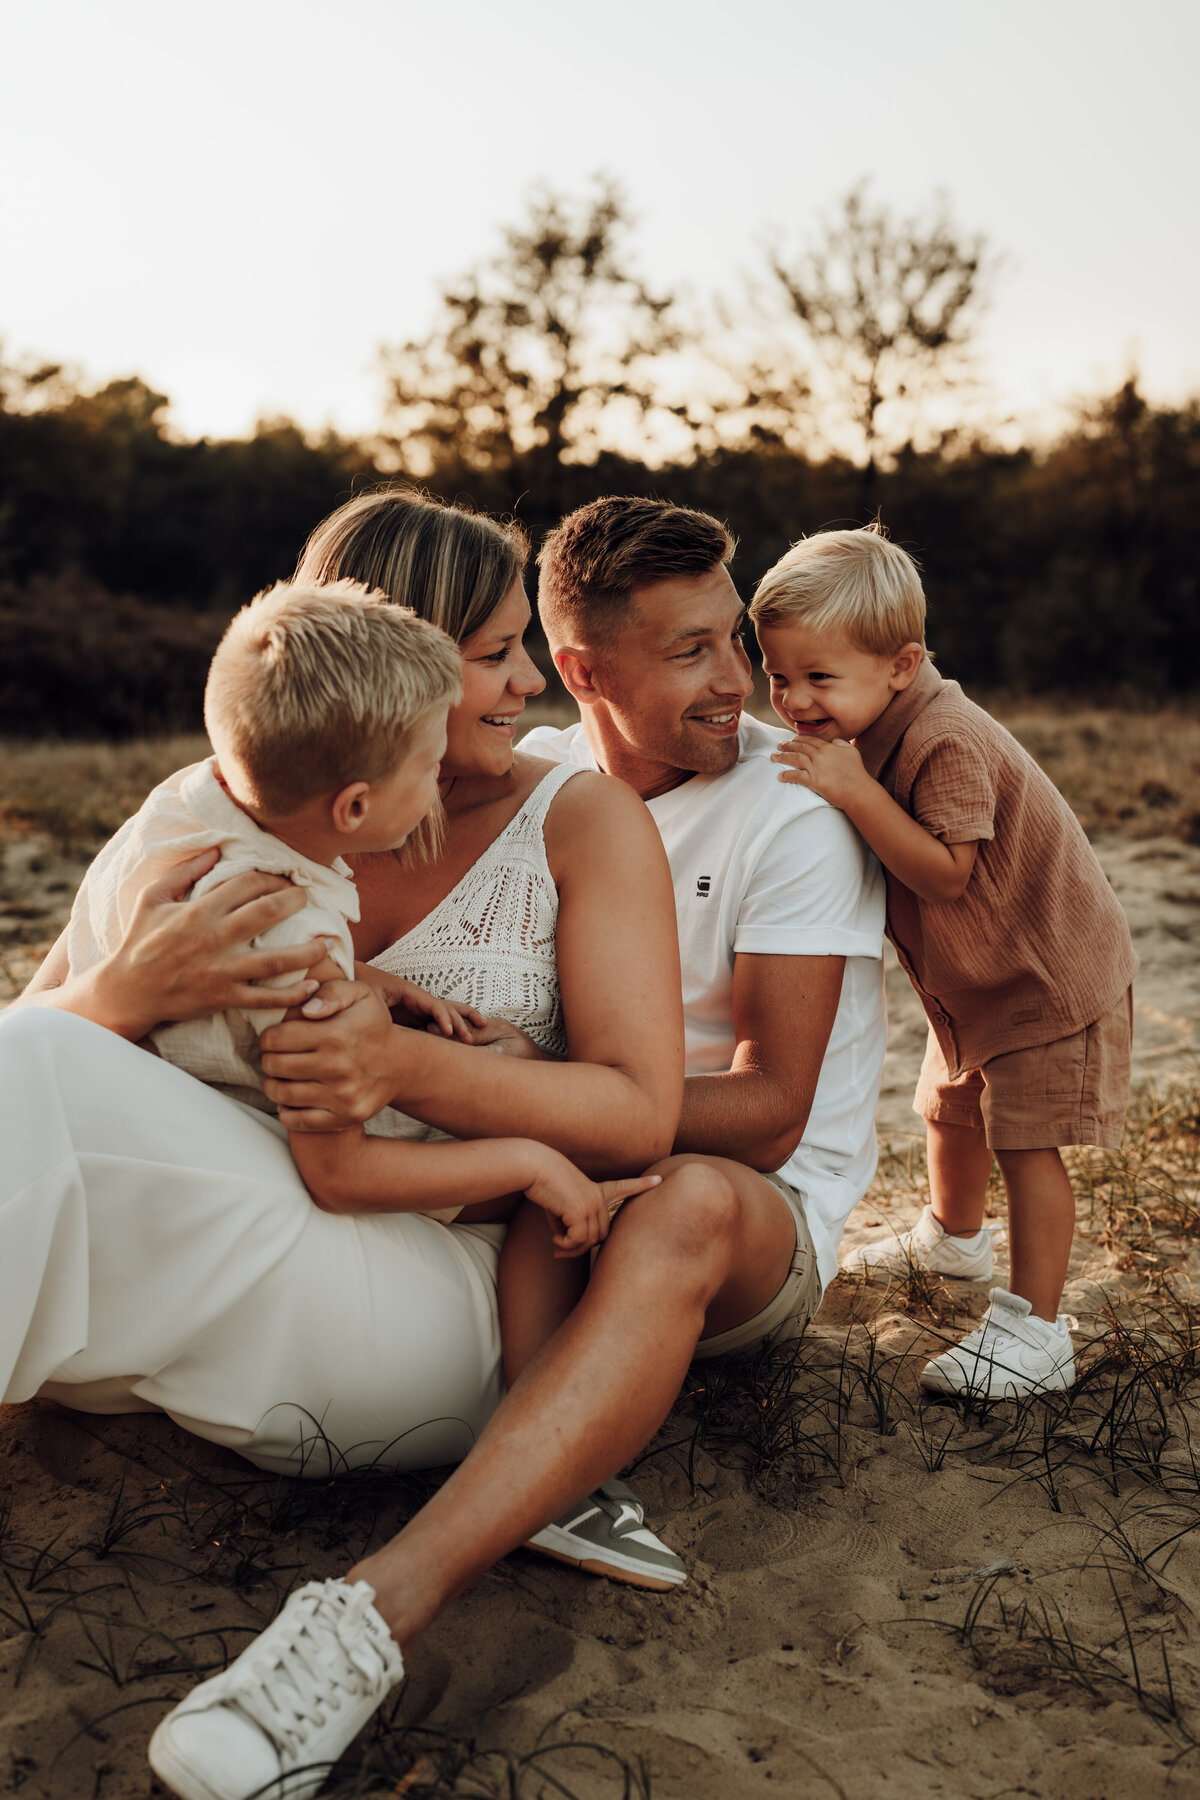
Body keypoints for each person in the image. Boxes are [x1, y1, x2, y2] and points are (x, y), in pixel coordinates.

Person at [0, 490, 863, 1800]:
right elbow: (42, 1044)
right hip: (232, 1234)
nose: (528, 682)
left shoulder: (574, 820)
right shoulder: (200, 806)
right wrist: (122, 994)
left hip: (430, 1287)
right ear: (385, 658)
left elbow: (638, 1111)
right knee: (40, 1058)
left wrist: (407, 1064)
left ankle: (354, 1629)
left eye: (528, 645)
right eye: (495, 653)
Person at [64, 578, 654, 1349]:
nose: (435, 786)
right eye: (426, 768)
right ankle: (534, 1393)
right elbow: (340, 1175)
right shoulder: (284, 938)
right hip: (273, 1215)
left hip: (163, 1180)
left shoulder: (187, 815)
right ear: (353, 807)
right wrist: (527, 1161)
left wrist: (378, 985)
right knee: (540, 1202)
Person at [750, 524, 1138, 1398]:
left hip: (1044, 978)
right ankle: (955, 1239)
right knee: (948, 1113)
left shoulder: (944, 737)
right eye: (778, 676)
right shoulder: (875, 722)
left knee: (1026, 1143)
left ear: (900, 663)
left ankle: (1038, 1329)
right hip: (976, 984)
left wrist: (850, 791)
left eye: (819, 678)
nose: (795, 700)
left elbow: (947, 873)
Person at [524, 495, 889, 1314]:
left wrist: (533, 1099)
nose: (738, 679)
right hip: (558, 1165)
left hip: (750, 1199)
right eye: (692, 651)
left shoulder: (797, 807)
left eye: (735, 637)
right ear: (583, 671)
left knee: (681, 1203)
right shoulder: (536, 781)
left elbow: (769, 1113)